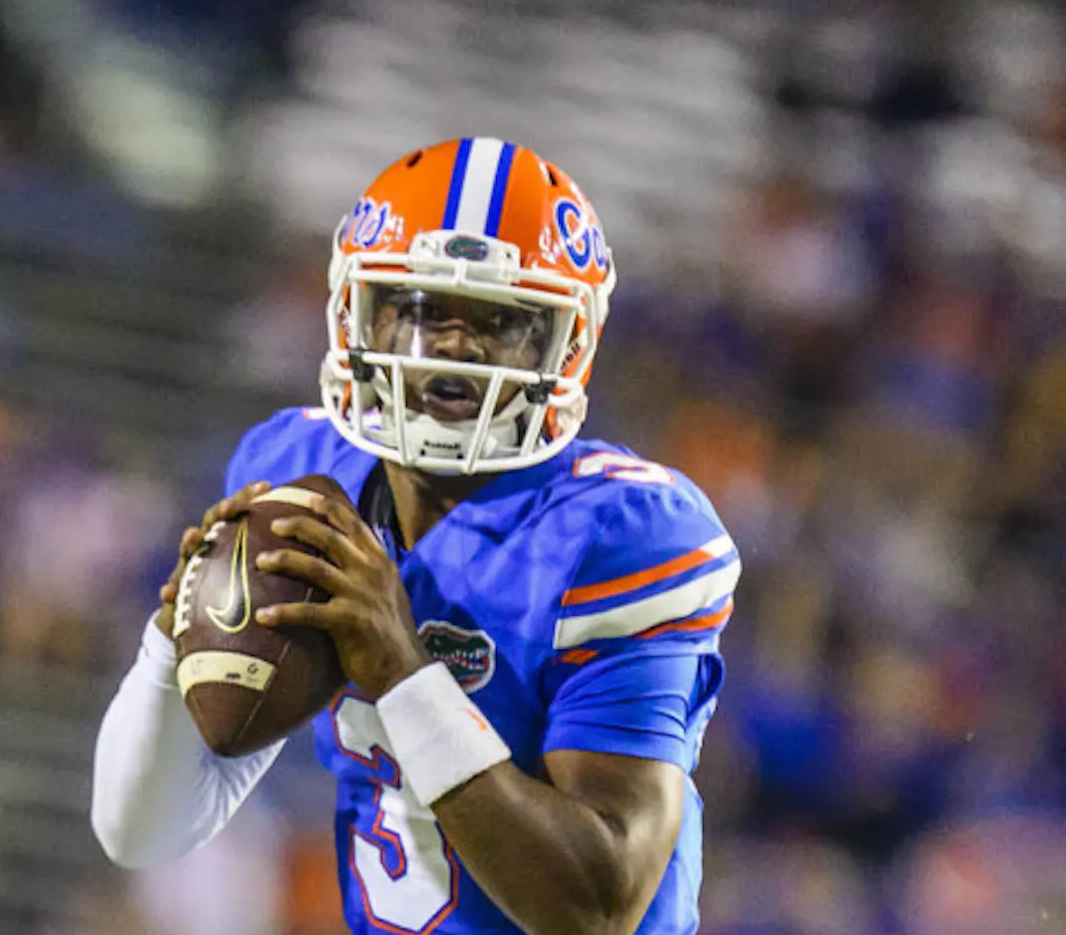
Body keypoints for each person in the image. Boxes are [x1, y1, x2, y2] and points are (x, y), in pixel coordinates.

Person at [92, 138, 740, 935]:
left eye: (500, 320)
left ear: (566, 342)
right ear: (357, 314)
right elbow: (141, 831)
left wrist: (401, 669)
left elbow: (597, 907)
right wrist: (171, 642)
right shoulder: (297, 470)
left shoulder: (620, 538)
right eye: (425, 309)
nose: (457, 347)